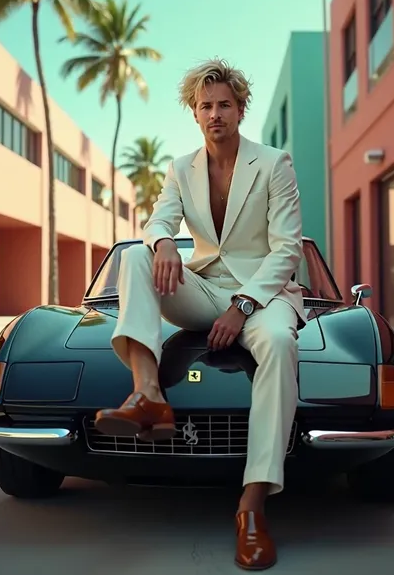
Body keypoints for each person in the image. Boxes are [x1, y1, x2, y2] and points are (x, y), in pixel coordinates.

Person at [95, 58, 306, 571]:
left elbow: (287, 249)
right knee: (137, 255)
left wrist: (243, 305)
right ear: (195, 113)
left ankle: (251, 509)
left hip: (267, 296)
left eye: (225, 105)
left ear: (240, 109)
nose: (216, 114)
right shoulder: (180, 168)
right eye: (206, 106)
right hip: (205, 286)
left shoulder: (274, 163)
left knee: (280, 344)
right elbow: (159, 218)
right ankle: (147, 395)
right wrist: (165, 241)